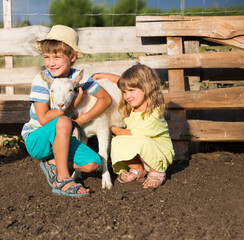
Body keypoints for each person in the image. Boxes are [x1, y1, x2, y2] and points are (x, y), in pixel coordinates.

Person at [21, 25, 112, 196]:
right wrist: (72, 106)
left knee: (93, 164)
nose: (50, 63)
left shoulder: (80, 78)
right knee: (63, 121)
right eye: (46, 57)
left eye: (57, 57)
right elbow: (43, 119)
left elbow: (105, 99)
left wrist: (85, 118)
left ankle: (53, 163)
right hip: (37, 138)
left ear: (72, 57)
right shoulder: (42, 80)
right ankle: (63, 180)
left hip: (62, 141)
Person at [96, 64, 174, 189]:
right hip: (141, 151)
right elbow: (119, 81)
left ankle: (156, 172)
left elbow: (136, 134)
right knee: (118, 141)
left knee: (140, 140)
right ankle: (137, 168)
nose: (127, 96)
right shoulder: (133, 108)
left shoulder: (155, 111)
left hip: (159, 154)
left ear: (147, 87)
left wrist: (112, 129)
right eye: (124, 92)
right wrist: (100, 75)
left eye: (131, 90)